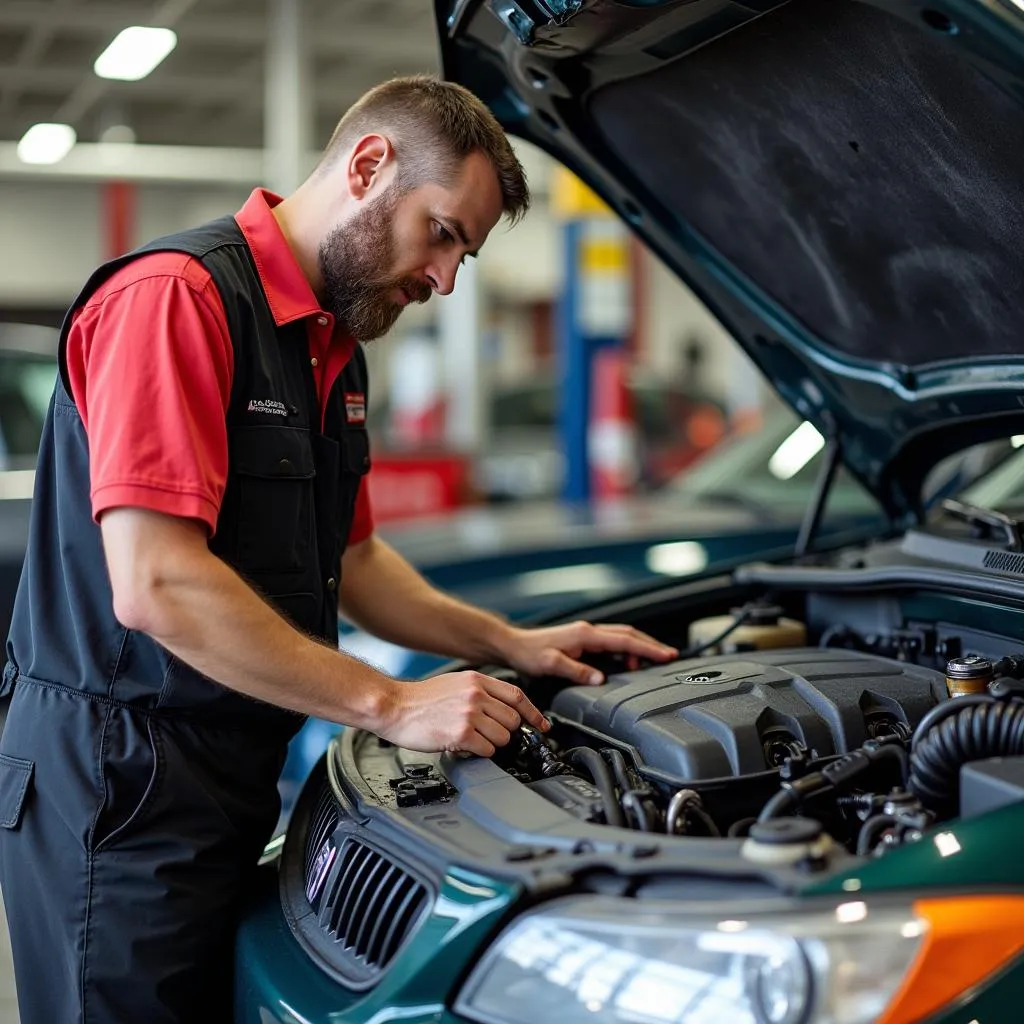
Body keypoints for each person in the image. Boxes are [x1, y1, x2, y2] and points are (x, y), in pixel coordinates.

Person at [0, 76, 677, 1023]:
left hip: (228, 779)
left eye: (464, 257)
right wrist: (392, 703)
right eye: (443, 233)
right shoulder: (178, 300)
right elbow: (156, 584)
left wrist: (510, 643)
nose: (445, 280)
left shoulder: (331, 344)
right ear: (368, 166)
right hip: (118, 792)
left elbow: (353, 563)